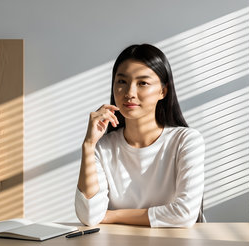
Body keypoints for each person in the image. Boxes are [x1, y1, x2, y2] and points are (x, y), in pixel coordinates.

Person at [75, 44, 205, 228]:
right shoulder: (103, 147)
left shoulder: (186, 141)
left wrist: (112, 216)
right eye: (122, 82)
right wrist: (88, 145)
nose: (129, 93)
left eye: (142, 83)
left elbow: (184, 213)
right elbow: (89, 216)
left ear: (163, 91)